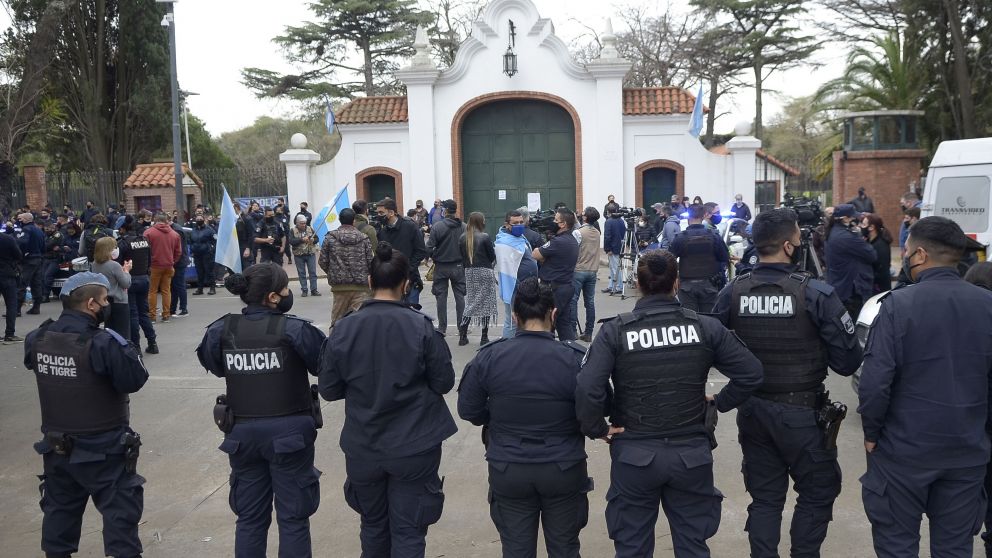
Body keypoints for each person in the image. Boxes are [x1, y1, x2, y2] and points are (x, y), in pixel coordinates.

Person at [576, 249, 763, 558]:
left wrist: (598, 428)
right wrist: (717, 402)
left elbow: (587, 387)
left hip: (635, 454)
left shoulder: (615, 331)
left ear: (638, 282)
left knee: (633, 547)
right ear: (677, 282)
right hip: (690, 453)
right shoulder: (704, 327)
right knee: (692, 546)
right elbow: (752, 373)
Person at [712, 208, 864, 558]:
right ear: (788, 245)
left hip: (754, 411)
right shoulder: (815, 293)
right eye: (797, 237)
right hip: (803, 416)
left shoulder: (733, 291)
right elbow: (848, 362)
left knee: (765, 498)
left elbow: (711, 347)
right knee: (817, 492)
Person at [858, 216, 992, 558]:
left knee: (897, 545)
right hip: (967, 450)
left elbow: (875, 382)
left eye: (905, 251)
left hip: (904, 451)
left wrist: (871, 432)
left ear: (919, 255)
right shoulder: (987, 306)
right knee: (955, 548)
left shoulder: (895, 306)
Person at [318, 242, 456, 557]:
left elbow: (329, 389)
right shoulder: (420, 328)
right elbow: (443, 382)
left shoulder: (343, 329)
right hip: (414, 445)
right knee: (408, 531)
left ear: (369, 282)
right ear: (406, 284)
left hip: (364, 445)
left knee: (373, 526)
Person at [196, 263, 326, 558]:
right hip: (289, 435)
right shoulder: (295, 328)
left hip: (242, 436)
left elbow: (214, 366)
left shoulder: (221, 329)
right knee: (293, 519)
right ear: (272, 297)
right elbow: (324, 366)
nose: (287, 293)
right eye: (284, 288)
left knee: (250, 519)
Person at [457, 277, 590, 557]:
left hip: (509, 467)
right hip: (563, 467)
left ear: (515, 317)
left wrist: (496, 418)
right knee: (565, 548)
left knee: (516, 549)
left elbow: (469, 410)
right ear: (554, 314)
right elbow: (598, 407)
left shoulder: (490, 357)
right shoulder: (575, 358)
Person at [25, 272, 149, 558]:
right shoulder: (104, 343)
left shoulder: (38, 337)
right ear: (92, 304)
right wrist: (124, 340)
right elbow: (134, 380)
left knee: (59, 519)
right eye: (106, 300)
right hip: (103, 450)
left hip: (57, 448)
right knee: (120, 522)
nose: (109, 305)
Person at [670, 204, 729, 313]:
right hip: (710, 286)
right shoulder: (714, 236)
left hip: (686, 287)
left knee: (689, 322)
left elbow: (669, 260)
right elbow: (724, 257)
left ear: (688, 217)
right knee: (709, 320)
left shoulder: (680, 237)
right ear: (703, 216)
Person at [318, 208, 373, 324]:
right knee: (360, 323)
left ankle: (335, 342)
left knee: (337, 322)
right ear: (354, 221)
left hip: (339, 287)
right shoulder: (364, 238)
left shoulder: (330, 238)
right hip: (361, 287)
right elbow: (370, 262)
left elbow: (322, 261)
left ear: (339, 220)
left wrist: (333, 272)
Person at [533, 208, 579, 341]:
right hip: (565, 286)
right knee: (563, 323)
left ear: (563, 224)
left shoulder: (558, 242)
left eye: (555, 220)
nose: (552, 222)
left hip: (554, 289)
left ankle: (549, 356)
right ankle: (571, 352)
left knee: (547, 324)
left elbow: (535, 254)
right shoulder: (571, 240)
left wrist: (541, 250)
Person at [824, 204, 876, 317]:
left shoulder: (833, 231)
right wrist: (857, 234)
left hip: (838, 284)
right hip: (848, 291)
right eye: (852, 217)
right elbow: (871, 254)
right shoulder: (847, 237)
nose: (855, 219)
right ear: (845, 218)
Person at [495, 210, 539, 339]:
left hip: (528, 287)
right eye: (515, 223)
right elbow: (506, 268)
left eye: (521, 222)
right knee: (513, 321)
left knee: (524, 319)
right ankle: (508, 347)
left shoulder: (520, 238)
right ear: (507, 224)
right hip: (515, 287)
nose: (520, 225)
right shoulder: (504, 242)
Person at [376, 198, 428, 306]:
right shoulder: (382, 231)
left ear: (391, 212)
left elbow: (421, 251)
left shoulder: (410, 226)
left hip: (410, 279)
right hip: (389, 281)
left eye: (381, 213)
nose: (378, 216)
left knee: (411, 315)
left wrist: (408, 267)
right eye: (377, 213)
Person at [425, 199, 466, 334]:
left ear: (445, 211)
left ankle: (442, 328)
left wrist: (432, 256)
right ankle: (462, 328)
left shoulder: (437, 226)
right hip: (459, 265)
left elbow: (429, 247)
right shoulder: (463, 226)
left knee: (441, 297)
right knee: (460, 297)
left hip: (441, 266)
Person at [117, 218, 158, 354]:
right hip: (144, 278)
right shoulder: (144, 241)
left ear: (124, 229)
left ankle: (136, 346)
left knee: (133, 315)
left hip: (131, 280)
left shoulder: (123, 243)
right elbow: (149, 259)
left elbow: (118, 263)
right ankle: (152, 343)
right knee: (143, 314)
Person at [459, 211, 497, 346]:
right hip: (485, 271)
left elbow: (462, 259)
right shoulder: (485, 237)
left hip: (469, 272)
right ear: (480, 222)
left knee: (471, 302)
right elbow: (492, 257)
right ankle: (484, 337)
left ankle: (462, 335)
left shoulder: (463, 237)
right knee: (486, 303)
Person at [90, 236, 132, 336]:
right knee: (123, 332)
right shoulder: (114, 265)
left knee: (109, 330)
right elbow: (126, 283)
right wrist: (127, 271)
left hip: (104, 301)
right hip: (119, 301)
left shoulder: (94, 264)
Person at [144, 212, 181, 323]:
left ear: (155, 220)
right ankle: (166, 314)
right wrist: (173, 261)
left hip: (154, 265)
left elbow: (145, 251)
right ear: (166, 220)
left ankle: (152, 316)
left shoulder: (148, 233)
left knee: (152, 291)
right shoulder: (174, 234)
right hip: (169, 265)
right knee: (166, 290)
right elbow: (178, 252)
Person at [571, 207, 601, 342]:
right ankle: (588, 333)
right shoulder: (597, 232)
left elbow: (572, 250)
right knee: (590, 302)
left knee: (573, 301)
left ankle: (573, 331)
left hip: (578, 270)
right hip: (592, 270)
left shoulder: (578, 232)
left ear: (585, 217)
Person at [16, 212, 45, 315]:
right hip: (38, 259)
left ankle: (16, 309)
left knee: (22, 283)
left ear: (26, 220)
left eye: (21, 219)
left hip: (29, 259)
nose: (20, 220)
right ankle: (36, 307)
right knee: (36, 283)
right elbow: (43, 246)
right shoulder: (39, 230)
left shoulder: (26, 229)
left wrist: (20, 253)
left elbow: (22, 242)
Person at [860, 213, 893, 294]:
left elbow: (881, 269)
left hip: (878, 287)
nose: (861, 226)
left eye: (864, 224)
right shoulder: (869, 241)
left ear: (871, 227)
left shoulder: (880, 245)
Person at [289, 215, 321, 297]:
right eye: (301, 223)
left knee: (312, 272)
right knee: (301, 273)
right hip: (298, 255)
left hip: (310, 254)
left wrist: (312, 240)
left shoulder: (310, 228)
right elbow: (291, 241)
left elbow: (317, 239)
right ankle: (304, 290)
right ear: (297, 223)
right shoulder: (292, 230)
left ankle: (314, 290)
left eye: (304, 223)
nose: (303, 225)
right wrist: (301, 240)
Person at [0, 227, 22, 342]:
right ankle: (9, 334)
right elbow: (18, 255)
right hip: (7, 273)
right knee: (11, 304)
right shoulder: (8, 239)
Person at [190, 214, 217, 296]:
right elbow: (191, 241)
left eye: (200, 219)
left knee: (209, 271)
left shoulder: (210, 230)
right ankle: (200, 289)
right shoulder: (193, 230)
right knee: (199, 272)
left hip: (207, 254)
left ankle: (212, 288)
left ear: (204, 219)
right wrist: (192, 249)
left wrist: (212, 249)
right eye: (197, 219)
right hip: (197, 254)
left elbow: (216, 240)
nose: (198, 220)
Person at [169, 219, 191, 317]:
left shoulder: (176, 230)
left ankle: (183, 309)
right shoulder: (175, 228)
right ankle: (172, 309)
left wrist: (174, 261)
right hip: (178, 261)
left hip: (179, 262)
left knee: (179, 285)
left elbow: (179, 248)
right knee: (174, 286)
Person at [42, 221, 67, 302]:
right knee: (42, 276)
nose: (47, 230)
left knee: (48, 275)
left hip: (55, 259)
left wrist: (46, 246)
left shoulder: (58, 234)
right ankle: (43, 295)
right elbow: (43, 245)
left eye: (48, 228)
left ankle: (46, 295)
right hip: (46, 258)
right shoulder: (45, 235)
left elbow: (49, 244)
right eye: (45, 229)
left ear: (53, 228)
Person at [603, 209, 625, 294]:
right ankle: (612, 285)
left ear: (608, 212)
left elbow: (607, 236)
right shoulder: (621, 221)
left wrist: (607, 248)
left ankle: (618, 286)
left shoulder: (609, 221)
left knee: (615, 268)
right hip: (620, 246)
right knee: (614, 267)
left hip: (612, 247)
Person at [233, 202, 255, 270]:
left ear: (236, 208)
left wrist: (248, 248)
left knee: (246, 269)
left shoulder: (246, 218)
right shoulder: (231, 220)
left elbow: (251, 234)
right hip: (234, 248)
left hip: (244, 246)